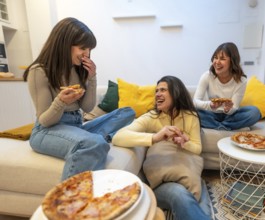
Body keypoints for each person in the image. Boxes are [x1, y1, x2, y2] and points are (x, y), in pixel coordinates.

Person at [23, 17, 135, 181]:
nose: (87, 54)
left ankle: (88, 140)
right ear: (64, 44)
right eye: (82, 48)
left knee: (127, 112)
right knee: (95, 143)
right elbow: (45, 121)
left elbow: (88, 108)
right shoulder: (39, 71)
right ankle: (68, 202)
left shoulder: (78, 69)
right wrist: (61, 102)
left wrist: (92, 77)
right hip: (47, 131)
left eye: (89, 49)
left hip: (76, 127)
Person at [112, 76, 212, 220]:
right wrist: (154, 138)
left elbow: (197, 148)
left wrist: (184, 143)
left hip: (186, 175)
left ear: (176, 92)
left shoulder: (191, 116)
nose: (157, 94)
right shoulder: (152, 117)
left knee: (194, 197)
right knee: (180, 195)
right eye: (156, 91)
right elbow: (118, 137)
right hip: (162, 184)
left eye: (163, 90)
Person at [194, 42, 261, 130]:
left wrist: (228, 109)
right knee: (191, 112)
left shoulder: (241, 80)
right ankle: (225, 127)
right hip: (211, 113)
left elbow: (235, 107)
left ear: (232, 61)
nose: (217, 62)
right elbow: (195, 101)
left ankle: (219, 126)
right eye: (215, 58)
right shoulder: (207, 76)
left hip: (231, 116)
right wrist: (210, 105)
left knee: (255, 112)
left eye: (222, 59)